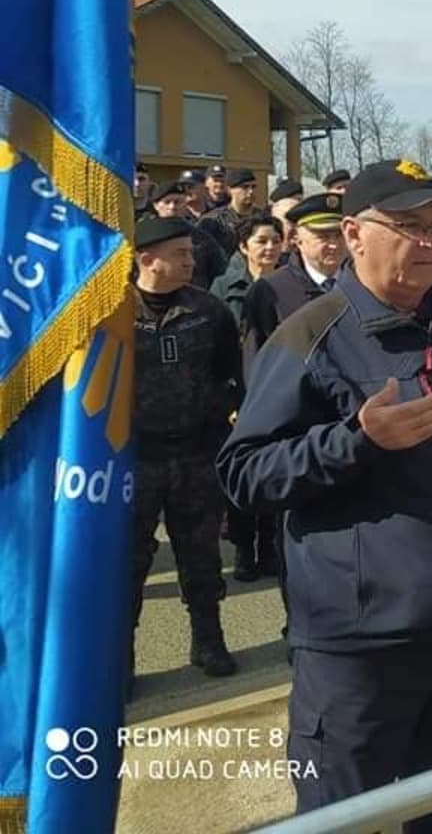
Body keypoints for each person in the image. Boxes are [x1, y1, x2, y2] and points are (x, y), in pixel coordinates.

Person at [218, 159, 432, 832]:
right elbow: (244, 473)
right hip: (360, 651)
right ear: (354, 232)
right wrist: (355, 440)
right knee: (342, 822)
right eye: (408, 226)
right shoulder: (312, 334)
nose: (429, 243)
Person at [130, 217, 243, 694]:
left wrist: (214, 425)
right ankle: (122, 658)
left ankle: (208, 639)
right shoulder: (109, 311)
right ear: (146, 259)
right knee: (130, 563)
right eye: (180, 254)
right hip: (133, 459)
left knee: (200, 555)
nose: (191, 261)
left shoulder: (210, 311)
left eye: (191, 253)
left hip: (196, 453)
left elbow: (229, 376)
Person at [210, 214, 286, 582]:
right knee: (241, 472)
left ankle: (269, 544)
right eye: (261, 241)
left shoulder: (290, 286)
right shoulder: (224, 287)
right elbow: (214, 346)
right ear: (244, 246)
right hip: (237, 392)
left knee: (273, 468)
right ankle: (243, 546)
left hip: (277, 389)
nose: (269, 248)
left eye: (275, 240)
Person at [240, 193, 347, 370]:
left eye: (339, 235)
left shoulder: (364, 283)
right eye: (323, 237)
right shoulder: (271, 291)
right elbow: (255, 362)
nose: (334, 245)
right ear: (297, 239)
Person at [150, 180, 230, 291]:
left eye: (178, 202)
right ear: (156, 206)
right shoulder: (147, 237)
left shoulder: (201, 238)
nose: (172, 207)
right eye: (167, 202)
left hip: (194, 300)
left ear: (185, 204)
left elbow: (221, 272)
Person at [201, 167, 263, 258]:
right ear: (230, 189)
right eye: (245, 187)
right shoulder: (213, 220)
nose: (251, 192)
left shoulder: (263, 217)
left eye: (253, 187)